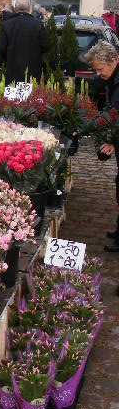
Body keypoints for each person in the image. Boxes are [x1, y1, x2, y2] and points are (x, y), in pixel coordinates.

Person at [84, 41, 119, 257]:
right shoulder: (113, 79)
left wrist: (114, 143)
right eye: (95, 69)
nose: (98, 73)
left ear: (114, 61)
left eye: (100, 69)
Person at [0, 0, 50, 85]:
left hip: (12, 69)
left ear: (15, 8)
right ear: (29, 9)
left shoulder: (6, 25)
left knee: (13, 96)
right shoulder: (38, 25)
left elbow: (2, 49)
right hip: (33, 68)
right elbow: (45, 46)